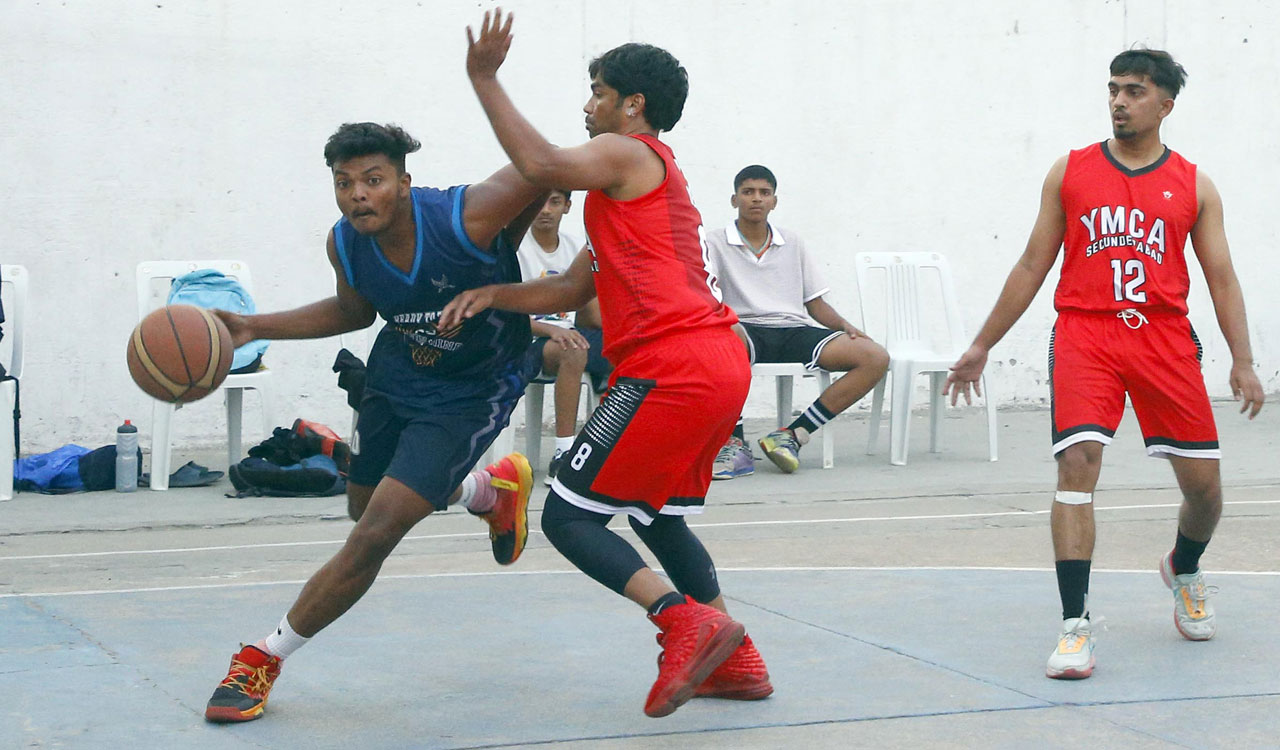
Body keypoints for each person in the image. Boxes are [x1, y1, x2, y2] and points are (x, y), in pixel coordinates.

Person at [442, 11, 771, 717]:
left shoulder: (629, 154)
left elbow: (539, 167)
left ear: (633, 104)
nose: (586, 105)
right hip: (717, 364)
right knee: (654, 517)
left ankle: (685, 622)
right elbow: (571, 290)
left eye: (597, 92)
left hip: (670, 366)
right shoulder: (642, 187)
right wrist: (493, 294)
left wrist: (485, 79)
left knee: (566, 515)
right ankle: (738, 660)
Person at [202, 122, 547, 722]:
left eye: (373, 179)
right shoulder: (345, 242)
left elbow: (544, 167)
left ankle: (262, 659)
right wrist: (257, 326)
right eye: (344, 182)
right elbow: (354, 311)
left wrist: (508, 243)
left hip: (471, 388)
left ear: (404, 183)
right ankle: (489, 490)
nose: (358, 193)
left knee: (373, 533)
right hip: (397, 372)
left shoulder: (462, 217)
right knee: (363, 507)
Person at [944, 49, 1266, 680]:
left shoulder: (1195, 184)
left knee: (1204, 490)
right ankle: (1074, 626)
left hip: (1164, 337)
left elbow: (1221, 276)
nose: (1119, 101)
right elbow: (1033, 264)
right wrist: (981, 344)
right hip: (1086, 333)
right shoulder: (1071, 170)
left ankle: (1186, 567)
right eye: (1114, 89)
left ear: (1165, 105)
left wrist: (1244, 360)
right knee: (1076, 464)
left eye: (1135, 91)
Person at [705, 165, 889, 478]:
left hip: (793, 330)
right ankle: (734, 443)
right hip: (743, 331)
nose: (756, 199)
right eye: (748, 192)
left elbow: (814, 303)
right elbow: (708, 300)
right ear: (734, 199)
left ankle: (792, 435)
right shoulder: (714, 241)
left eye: (764, 193)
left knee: (874, 357)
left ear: (774, 201)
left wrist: (845, 326)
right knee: (724, 336)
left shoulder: (792, 241)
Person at [514, 188, 611, 484]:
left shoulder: (574, 248)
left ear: (567, 207)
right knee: (572, 348)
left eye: (554, 202)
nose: (545, 209)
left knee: (631, 348)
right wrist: (552, 329)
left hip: (568, 336)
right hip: (525, 339)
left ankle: (607, 447)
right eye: (539, 201)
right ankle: (564, 454)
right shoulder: (514, 248)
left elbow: (591, 314)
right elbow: (505, 312)